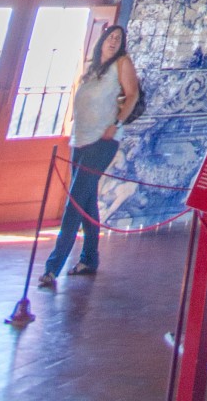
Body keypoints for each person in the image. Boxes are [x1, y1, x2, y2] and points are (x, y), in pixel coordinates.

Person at [38, 24, 139, 286]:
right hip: (80, 139)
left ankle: (53, 267)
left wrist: (116, 123)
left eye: (119, 38)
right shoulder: (93, 67)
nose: (114, 41)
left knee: (74, 203)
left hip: (102, 141)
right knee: (87, 201)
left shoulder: (122, 63)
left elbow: (133, 94)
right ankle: (89, 259)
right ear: (102, 39)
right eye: (111, 37)